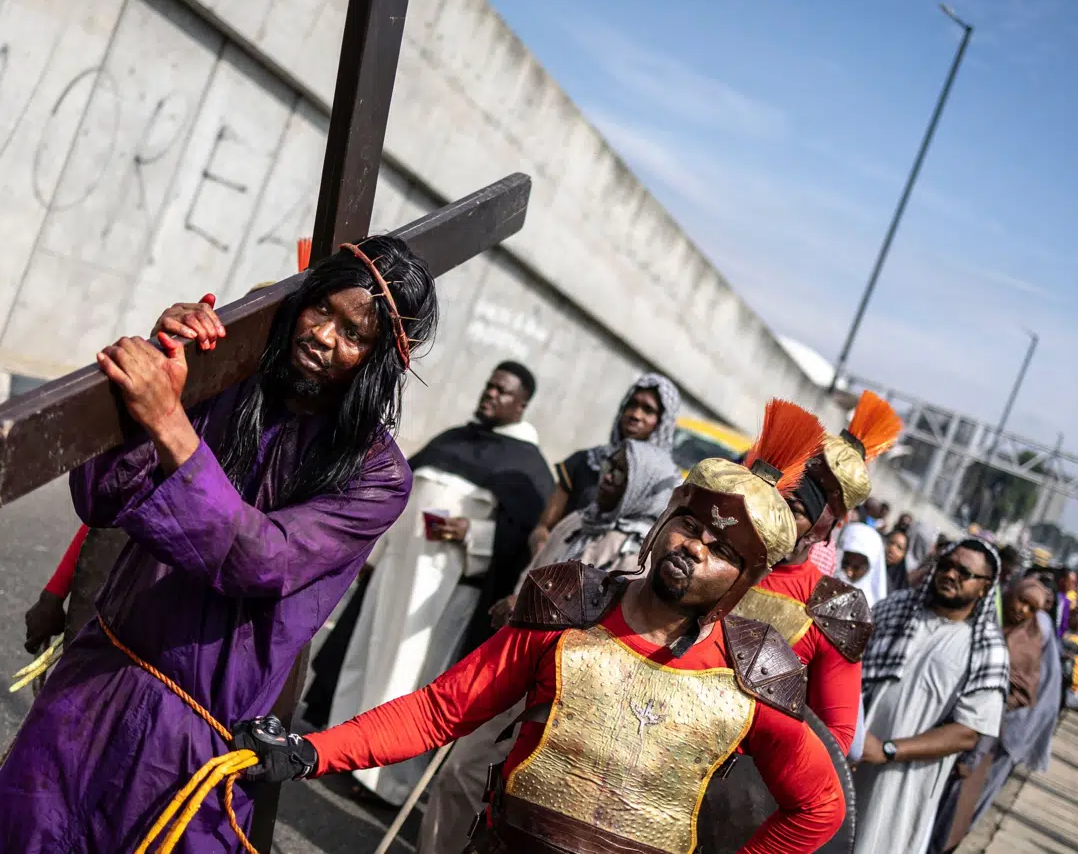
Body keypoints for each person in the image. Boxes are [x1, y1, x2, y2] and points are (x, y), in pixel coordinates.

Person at [0, 236, 439, 852]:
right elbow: (101, 497)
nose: (325, 336)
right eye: (321, 309)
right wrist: (169, 376)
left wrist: (169, 420)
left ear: (378, 362)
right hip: (96, 685)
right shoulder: (230, 380)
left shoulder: (377, 476)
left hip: (190, 746)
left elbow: (258, 558)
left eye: (354, 334)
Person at [232, 409, 846, 854]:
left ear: (744, 579)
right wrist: (312, 751)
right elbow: (438, 711)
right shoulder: (572, 607)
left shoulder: (751, 675)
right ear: (666, 521)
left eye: (722, 549)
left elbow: (820, 806)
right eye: (691, 525)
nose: (696, 547)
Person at [416, 436, 680, 854]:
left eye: (621, 473)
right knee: (460, 772)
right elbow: (535, 576)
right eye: (609, 467)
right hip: (515, 663)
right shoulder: (576, 522)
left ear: (642, 486)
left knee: (513, 802)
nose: (607, 477)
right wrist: (515, 602)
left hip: (561, 692)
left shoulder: (638, 555)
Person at [313, 361, 552, 804]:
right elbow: (397, 492)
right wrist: (374, 552)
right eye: (489, 385)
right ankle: (338, 749)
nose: (490, 395)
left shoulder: (528, 468)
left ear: (522, 404)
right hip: (397, 571)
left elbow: (519, 542)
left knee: (409, 679)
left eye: (502, 391)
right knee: (368, 657)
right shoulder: (453, 439)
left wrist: (473, 534)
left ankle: (387, 782)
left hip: (442, 589)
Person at [732, 390, 900, 754]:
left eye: (822, 496)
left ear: (835, 522)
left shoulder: (833, 605)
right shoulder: (719, 558)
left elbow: (835, 741)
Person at [852, 539, 1009, 854]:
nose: (950, 574)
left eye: (963, 572)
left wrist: (887, 750)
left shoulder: (987, 649)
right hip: (846, 758)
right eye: (946, 565)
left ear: (984, 587)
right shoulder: (894, 609)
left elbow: (968, 733)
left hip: (904, 782)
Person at [930, 577, 1061, 852]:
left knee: (961, 804)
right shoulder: (984, 616)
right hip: (949, 719)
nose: (1022, 611)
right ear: (1008, 592)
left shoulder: (1034, 637)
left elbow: (1025, 692)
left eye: (1031, 608)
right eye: (1021, 601)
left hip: (996, 734)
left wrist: (988, 705)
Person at [527, 373, 681, 553]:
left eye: (648, 410)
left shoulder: (667, 489)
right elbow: (543, 528)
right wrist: (545, 552)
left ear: (663, 423)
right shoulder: (586, 462)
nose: (636, 415)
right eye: (632, 405)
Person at [839, 521, 888, 608]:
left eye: (856, 568)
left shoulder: (872, 607)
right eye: (845, 563)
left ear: (870, 569)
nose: (849, 572)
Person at [885, 527, 910, 593]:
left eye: (899, 547)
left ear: (904, 554)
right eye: (891, 542)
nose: (892, 549)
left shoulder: (901, 586)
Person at [1055, 569, 1078, 637]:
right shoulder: (1056, 596)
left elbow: (1066, 624)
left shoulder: (1069, 601)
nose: (1072, 585)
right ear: (1063, 581)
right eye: (1070, 581)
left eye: (1075, 582)